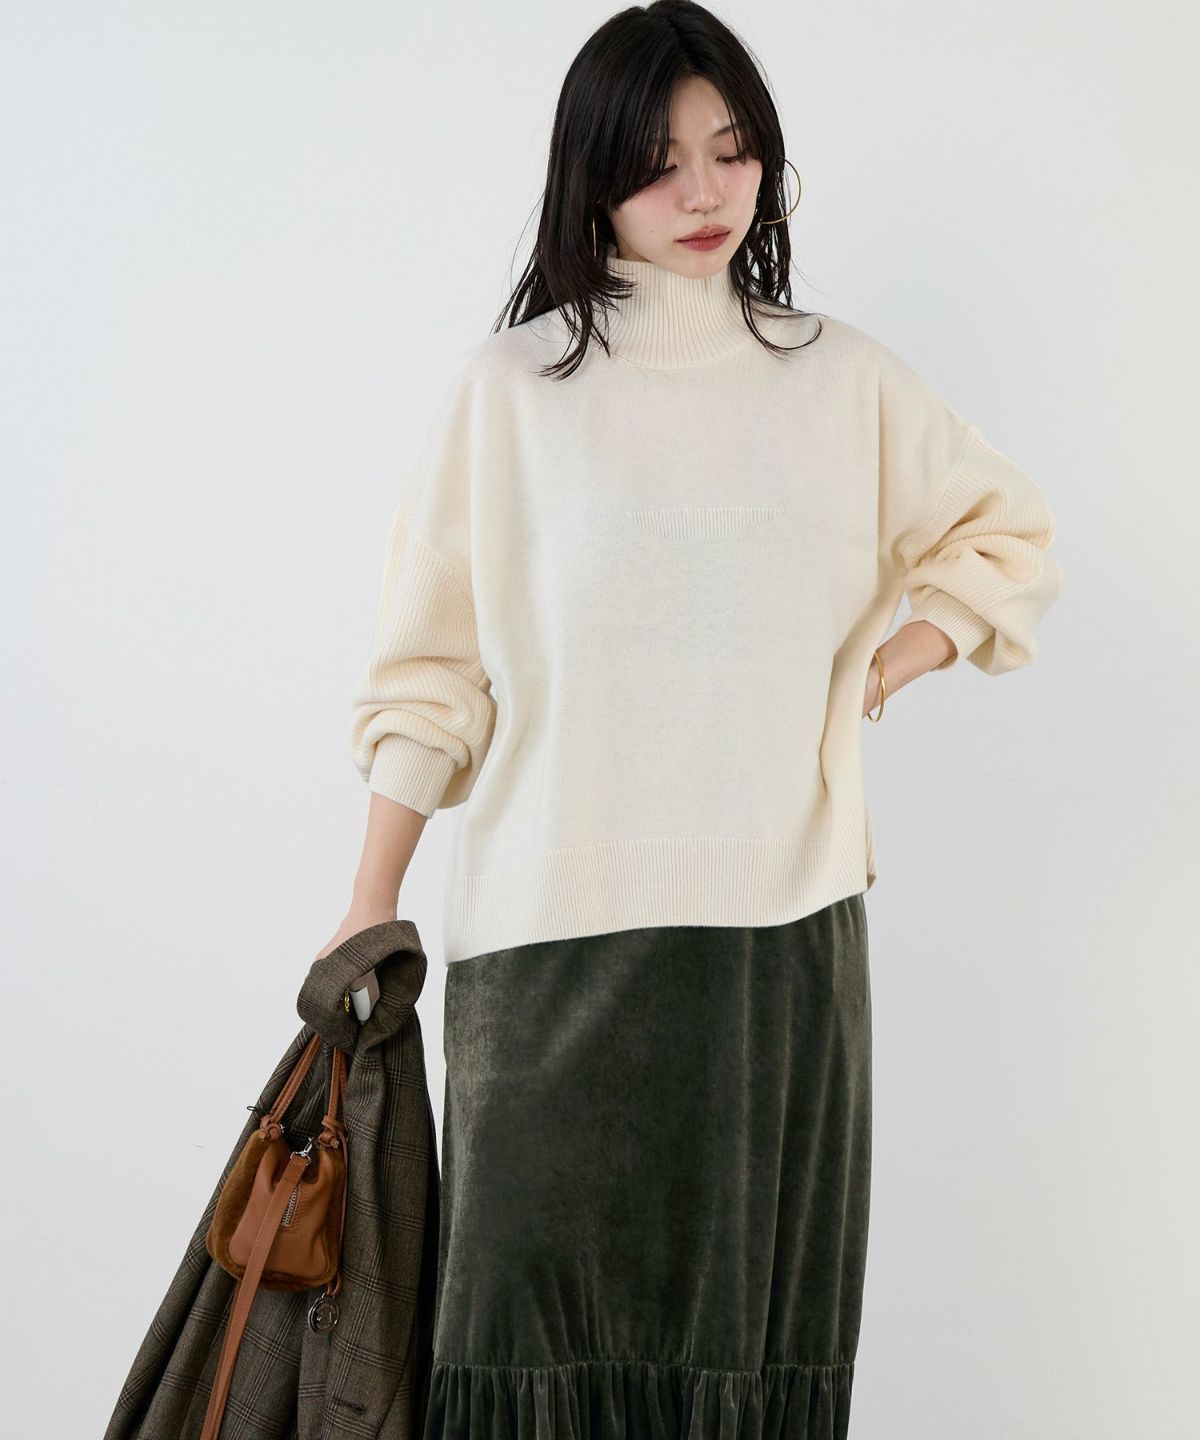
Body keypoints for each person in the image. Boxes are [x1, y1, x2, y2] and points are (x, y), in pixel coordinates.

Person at [321, 3, 1065, 1436]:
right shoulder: (510, 396)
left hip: (774, 954)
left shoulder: (838, 378)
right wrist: (368, 904)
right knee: (519, 1365)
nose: (707, 192)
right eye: (661, 164)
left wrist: (907, 651)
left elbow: (1006, 530)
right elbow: (430, 678)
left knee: (748, 1369)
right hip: (548, 955)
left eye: (733, 152)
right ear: (592, 176)